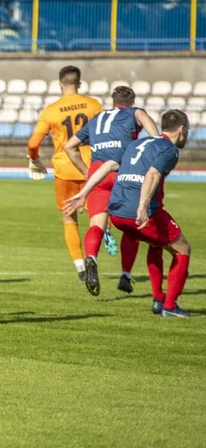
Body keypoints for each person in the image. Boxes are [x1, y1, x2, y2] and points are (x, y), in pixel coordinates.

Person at [63, 110, 192, 317]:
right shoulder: (169, 150)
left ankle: (158, 299)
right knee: (183, 249)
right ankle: (170, 306)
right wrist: (142, 207)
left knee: (156, 244)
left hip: (117, 213)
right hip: (138, 211)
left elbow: (110, 164)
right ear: (182, 129)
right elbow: (152, 174)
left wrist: (84, 192)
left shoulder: (136, 144)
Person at [61, 86, 159, 296]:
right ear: (132, 101)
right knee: (131, 226)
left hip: (98, 173)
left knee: (96, 225)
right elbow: (155, 136)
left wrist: (88, 173)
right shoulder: (134, 112)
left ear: (113, 101)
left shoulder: (96, 119)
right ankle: (125, 274)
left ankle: (91, 257)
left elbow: (69, 146)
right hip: (124, 171)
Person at [26, 66, 104, 279]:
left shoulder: (51, 110)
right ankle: (93, 256)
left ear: (60, 84)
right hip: (92, 169)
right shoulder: (93, 105)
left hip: (65, 169)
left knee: (69, 219)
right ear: (79, 84)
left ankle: (80, 267)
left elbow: (33, 143)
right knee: (96, 219)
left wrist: (34, 160)